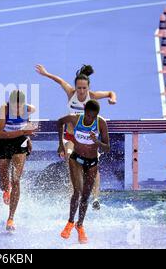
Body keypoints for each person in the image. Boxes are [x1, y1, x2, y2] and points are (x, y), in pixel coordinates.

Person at [36, 64, 116, 210]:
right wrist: (46, 73)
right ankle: (73, 195)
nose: (81, 91)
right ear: (75, 87)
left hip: (88, 138)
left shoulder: (93, 96)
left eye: (84, 88)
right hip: (71, 137)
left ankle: (96, 199)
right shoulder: (70, 93)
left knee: (93, 167)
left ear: (88, 88)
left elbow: (111, 93)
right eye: (79, 88)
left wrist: (112, 99)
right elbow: (59, 81)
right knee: (71, 162)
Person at [57, 100, 110, 244]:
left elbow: (107, 148)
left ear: (97, 115)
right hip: (76, 159)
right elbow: (59, 122)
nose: (89, 119)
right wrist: (61, 144)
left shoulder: (101, 123)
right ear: (84, 111)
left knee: (86, 197)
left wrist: (97, 141)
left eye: (92, 117)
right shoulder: (76, 119)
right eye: (88, 115)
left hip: (92, 162)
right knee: (77, 192)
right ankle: (69, 222)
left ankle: (79, 225)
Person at [0, 90, 37, 231]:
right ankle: (6, 190)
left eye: (20, 107)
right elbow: (0, 134)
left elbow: (30, 125)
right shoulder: (4, 109)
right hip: (4, 141)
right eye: (14, 107)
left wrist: (28, 137)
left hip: (20, 142)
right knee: (3, 182)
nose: (17, 110)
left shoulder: (30, 109)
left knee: (16, 180)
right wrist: (24, 132)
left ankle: (11, 218)